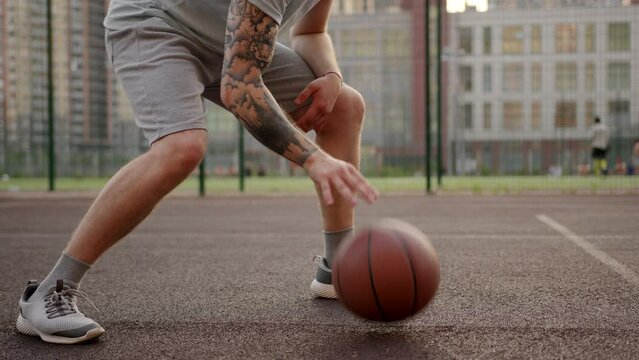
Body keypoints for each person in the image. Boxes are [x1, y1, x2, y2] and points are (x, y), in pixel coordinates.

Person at [16, 0, 378, 344]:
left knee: (343, 104)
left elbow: (311, 32)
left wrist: (331, 74)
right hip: (157, 23)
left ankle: (339, 267)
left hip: (222, 39)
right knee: (181, 148)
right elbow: (240, 88)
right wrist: (314, 159)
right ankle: (49, 293)